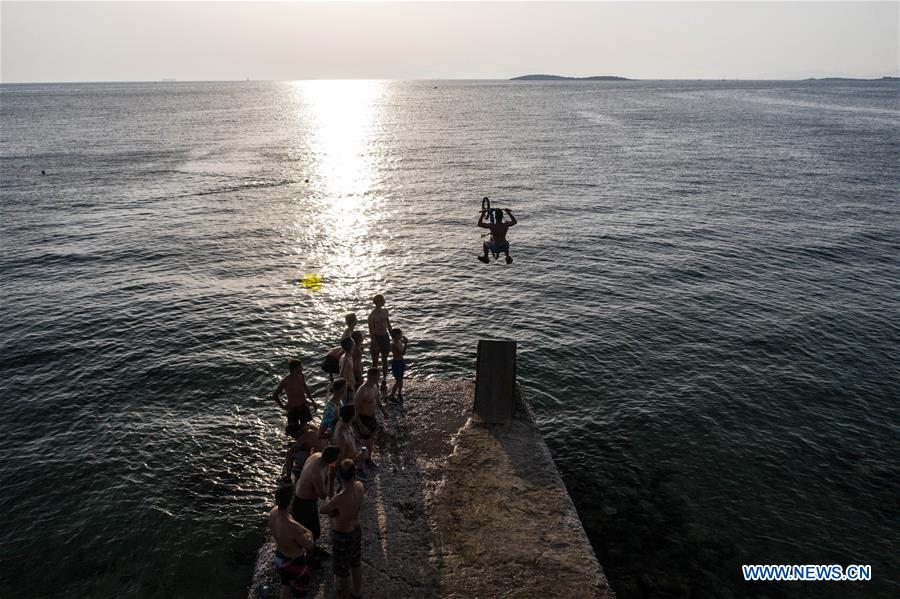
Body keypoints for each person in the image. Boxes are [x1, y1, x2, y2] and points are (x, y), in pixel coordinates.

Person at [320, 460, 366, 599]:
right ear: (354, 473)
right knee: (355, 562)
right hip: (356, 530)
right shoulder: (360, 486)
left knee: (343, 570)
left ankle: (344, 595)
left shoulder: (339, 498)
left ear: (339, 475)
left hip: (342, 535)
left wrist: (330, 481)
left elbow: (323, 509)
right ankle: (357, 591)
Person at [292, 446, 341, 569]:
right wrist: (331, 479)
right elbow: (322, 495)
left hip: (302, 497)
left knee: (312, 529)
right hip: (304, 503)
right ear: (333, 460)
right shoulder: (317, 473)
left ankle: (313, 549)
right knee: (312, 531)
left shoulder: (317, 455)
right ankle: (309, 558)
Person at [269, 481, 314, 599]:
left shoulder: (273, 512)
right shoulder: (293, 527)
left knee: (286, 585)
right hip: (294, 563)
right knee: (300, 594)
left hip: (280, 558)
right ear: (291, 501)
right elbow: (309, 545)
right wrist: (309, 534)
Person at [354, 368, 389, 468]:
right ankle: (360, 467)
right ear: (372, 376)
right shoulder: (362, 391)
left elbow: (377, 400)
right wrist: (361, 426)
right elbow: (355, 410)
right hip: (363, 418)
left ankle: (368, 459)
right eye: (378, 376)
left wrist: (384, 411)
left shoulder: (374, 386)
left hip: (372, 416)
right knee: (365, 444)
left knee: (372, 438)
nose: (379, 377)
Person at [273, 359, 319, 435]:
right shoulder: (286, 381)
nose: (302, 368)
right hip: (293, 409)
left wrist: (313, 402)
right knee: (293, 432)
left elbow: (306, 390)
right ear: (295, 368)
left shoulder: (301, 376)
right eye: (300, 367)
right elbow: (275, 395)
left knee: (305, 429)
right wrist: (283, 407)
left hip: (303, 406)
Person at [367, 294, 393, 389]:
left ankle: (384, 380)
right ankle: (374, 381)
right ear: (379, 302)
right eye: (383, 300)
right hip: (376, 338)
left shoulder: (385, 311)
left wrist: (393, 336)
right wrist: (375, 343)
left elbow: (388, 325)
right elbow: (371, 331)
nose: (384, 301)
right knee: (375, 361)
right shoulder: (372, 316)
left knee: (385, 359)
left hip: (385, 337)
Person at [388, 328, 407, 403]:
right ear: (395, 335)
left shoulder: (399, 341)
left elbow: (402, 353)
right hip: (396, 363)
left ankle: (399, 392)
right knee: (398, 380)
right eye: (400, 334)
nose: (401, 335)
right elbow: (402, 353)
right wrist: (406, 344)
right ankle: (392, 395)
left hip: (401, 361)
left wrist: (404, 343)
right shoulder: (393, 344)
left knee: (401, 379)